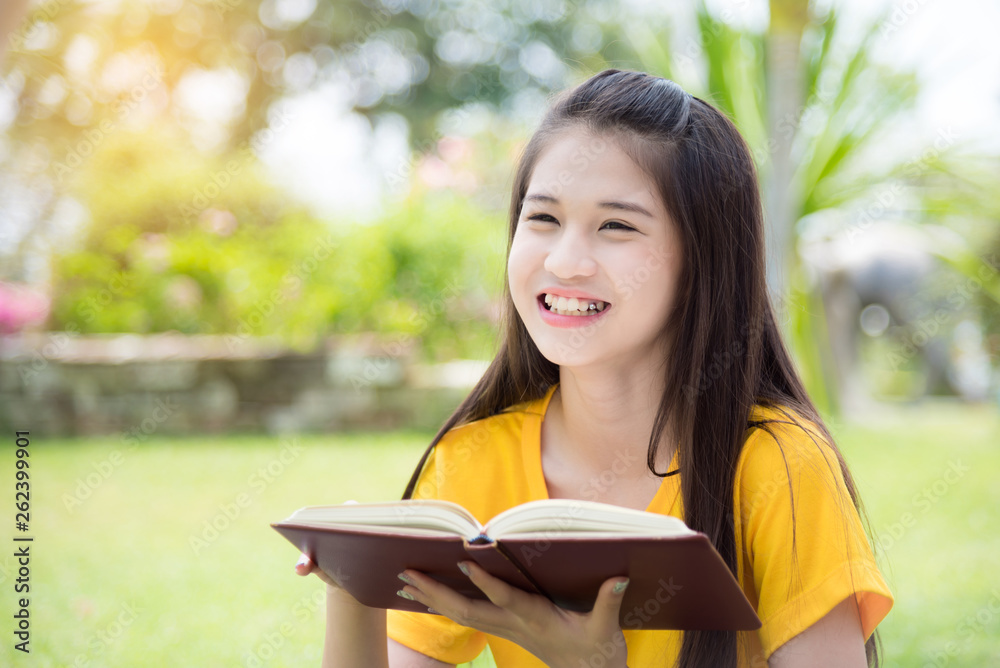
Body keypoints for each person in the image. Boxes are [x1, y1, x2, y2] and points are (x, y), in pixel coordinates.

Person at [295, 68, 894, 667]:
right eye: (543, 219)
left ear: (702, 260)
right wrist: (353, 585)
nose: (566, 261)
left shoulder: (777, 465)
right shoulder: (474, 461)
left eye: (616, 226)